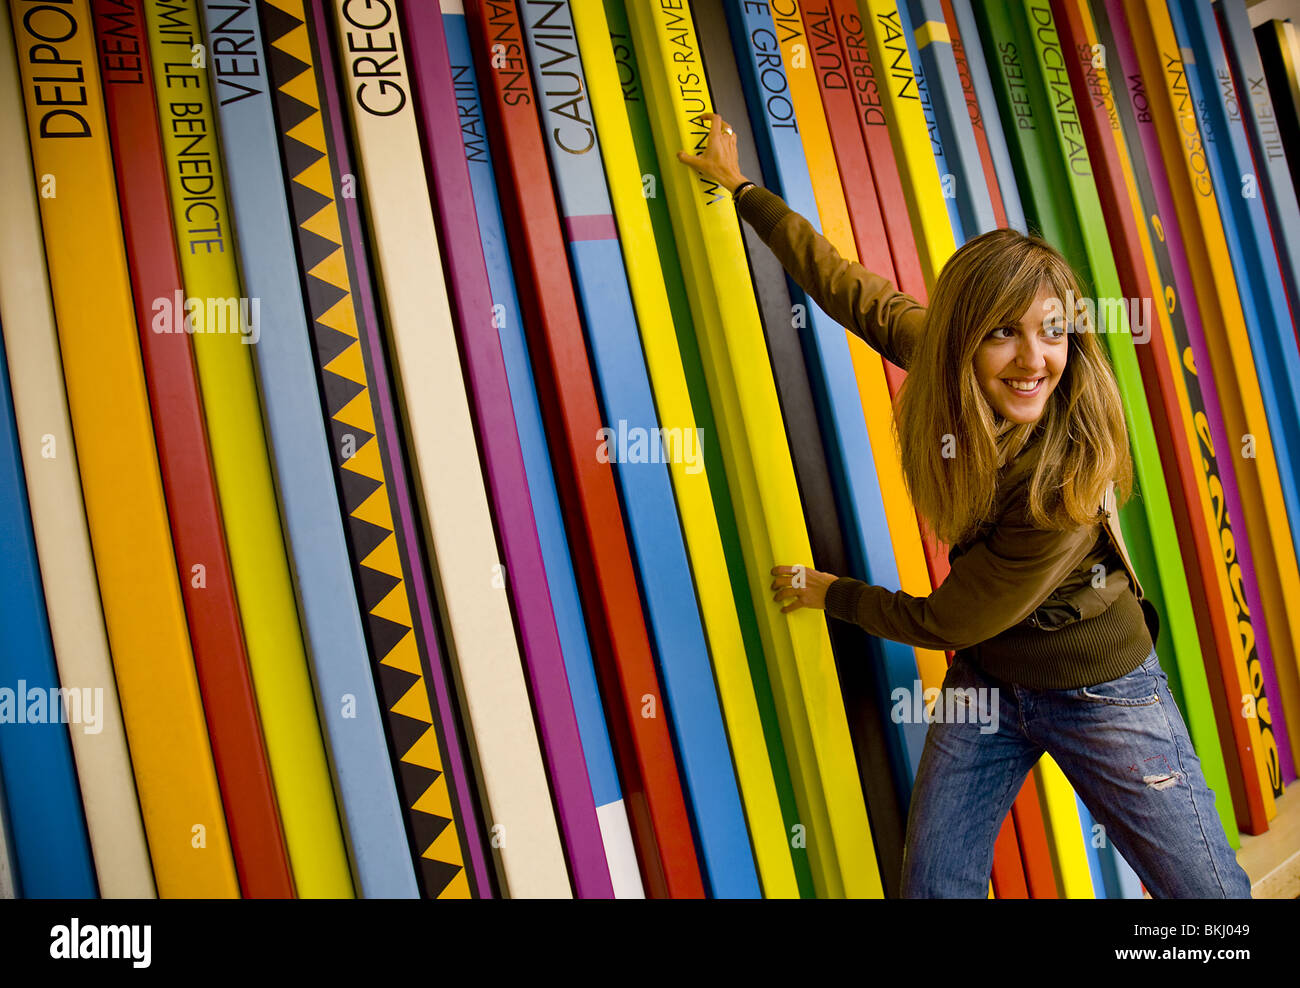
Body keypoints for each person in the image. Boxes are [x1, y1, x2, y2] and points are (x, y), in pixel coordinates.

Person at [677, 114, 1252, 899]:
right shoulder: (946, 367)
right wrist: (742, 189)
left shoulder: (1064, 482)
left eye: (1052, 332)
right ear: (962, 340)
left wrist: (830, 593)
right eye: (1003, 333)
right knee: (933, 888)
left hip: (1099, 689)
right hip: (990, 680)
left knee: (1206, 906)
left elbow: (947, 622)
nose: (1033, 359)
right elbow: (849, 287)